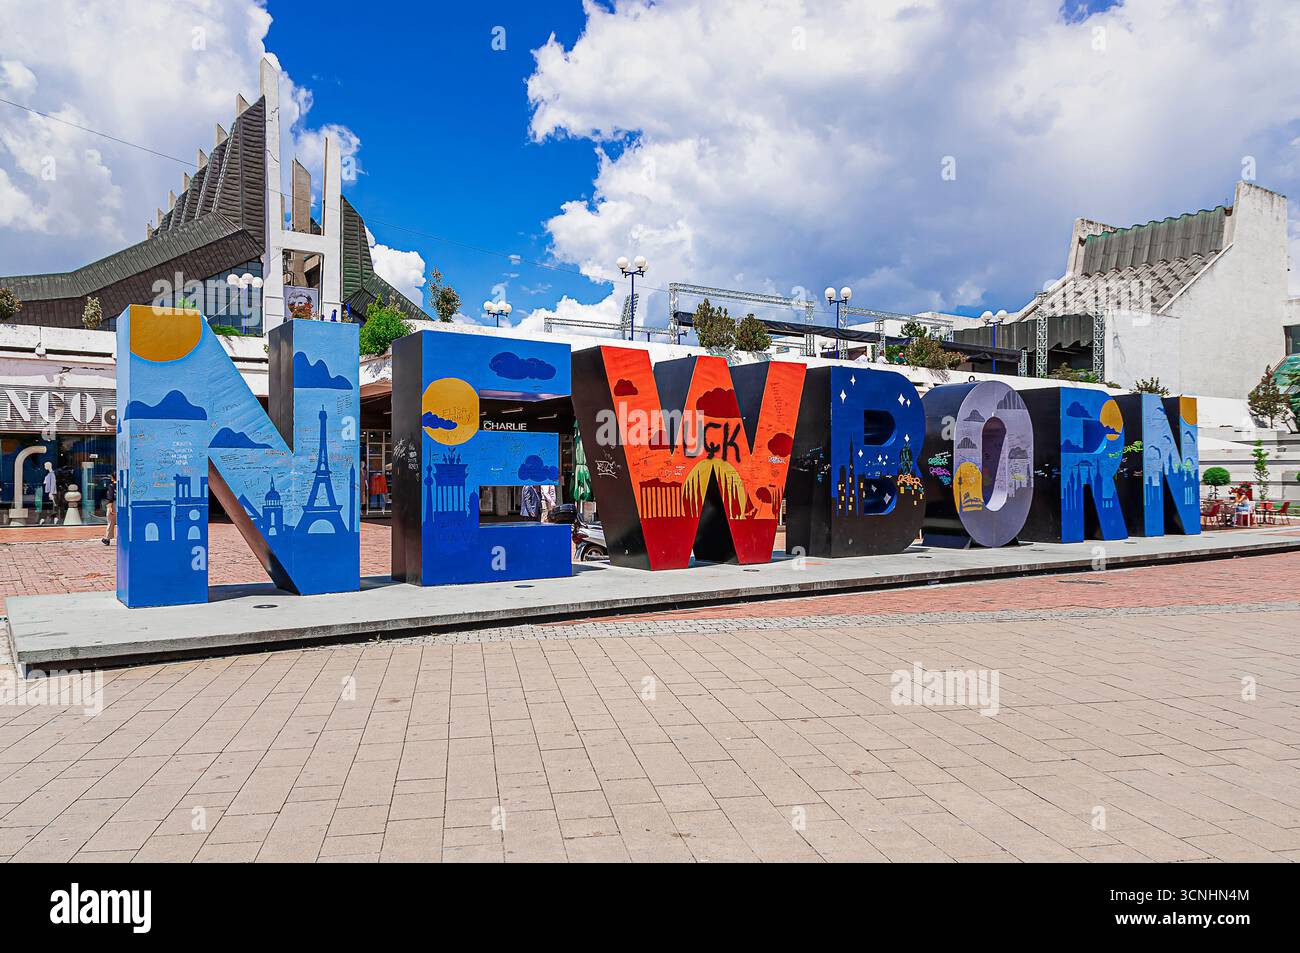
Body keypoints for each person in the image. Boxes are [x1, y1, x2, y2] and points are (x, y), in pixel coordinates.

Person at [101, 474, 117, 545]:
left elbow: (110, 497)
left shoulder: (111, 486)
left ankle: (107, 539)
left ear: (113, 478)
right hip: (122, 503)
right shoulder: (123, 484)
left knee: (110, 522)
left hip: (113, 504)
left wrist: (110, 506)